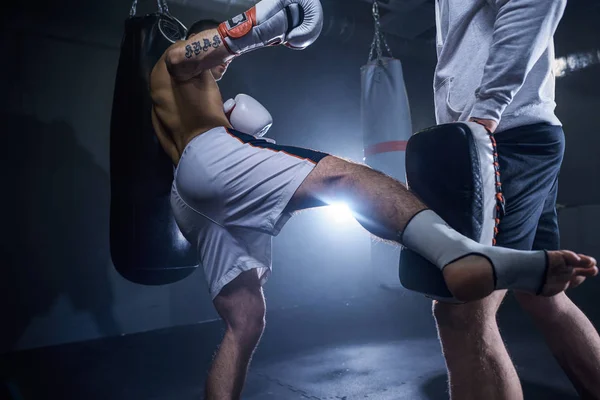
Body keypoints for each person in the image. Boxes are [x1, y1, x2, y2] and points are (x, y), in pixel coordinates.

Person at [148, 0, 597, 398]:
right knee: (347, 180)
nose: (223, 69)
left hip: (186, 199)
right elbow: (188, 55)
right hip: (209, 159)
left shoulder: (178, 104)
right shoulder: (182, 58)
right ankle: (456, 251)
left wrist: (485, 111)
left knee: (243, 323)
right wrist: (260, 26)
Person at [430, 0, 600, 398]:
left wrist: (486, 111)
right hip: (514, 133)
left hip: (503, 137)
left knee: (463, 309)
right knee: (541, 293)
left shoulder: (494, 126)